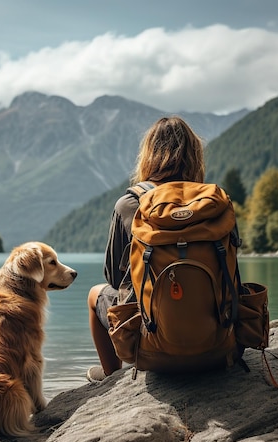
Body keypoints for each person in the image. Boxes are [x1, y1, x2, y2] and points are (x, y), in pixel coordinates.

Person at [86, 116, 206, 382]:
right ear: (194, 156)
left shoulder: (130, 204)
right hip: (217, 343)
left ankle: (111, 376)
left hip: (154, 347)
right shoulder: (211, 203)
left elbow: (115, 281)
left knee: (96, 294)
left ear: (149, 155)